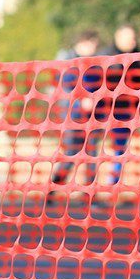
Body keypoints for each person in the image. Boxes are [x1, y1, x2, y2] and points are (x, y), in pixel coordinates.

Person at [95, 25, 140, 186]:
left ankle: (113, 182)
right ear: (118, 37)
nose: (132, 41)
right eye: (128, 38)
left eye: (133, 37)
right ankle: (89, 184)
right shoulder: (105, 56)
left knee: (119, 147)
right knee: (90, 146)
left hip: (124, 109)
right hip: (101, 108)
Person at [51, 31, 103, 187]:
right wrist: (80, 102)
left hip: (92, 116)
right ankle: (54, 188)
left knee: (92, 154)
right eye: (92, 45)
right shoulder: (68, 61)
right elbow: (64, 89)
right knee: (71, 153)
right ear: (83, 43)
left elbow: (98, 87)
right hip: (72, 116)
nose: (94, 49)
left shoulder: (94, 63)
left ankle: (90, 193)